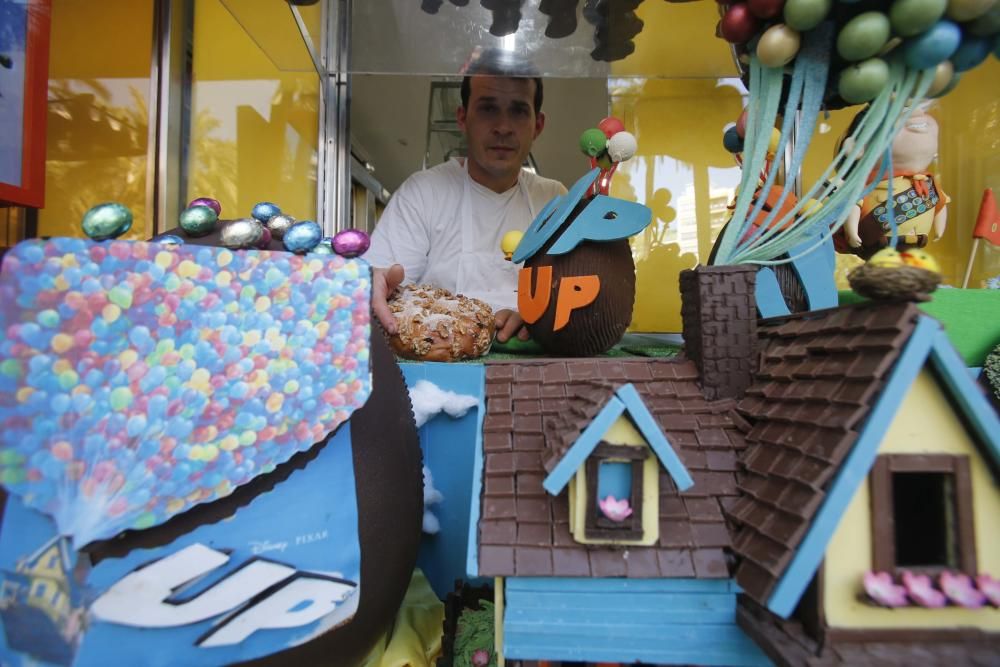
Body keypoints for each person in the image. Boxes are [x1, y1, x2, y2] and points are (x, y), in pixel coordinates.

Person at [364, 50, 567, 343]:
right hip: (438, 370)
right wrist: (372, 282)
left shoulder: (554, 199)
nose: (503, 127)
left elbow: (573, 296)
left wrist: (541, 315)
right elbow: (383, 287)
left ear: (538, 125)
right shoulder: (423, 192)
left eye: (519, 111)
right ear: (462, 118)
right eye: (488, 108)